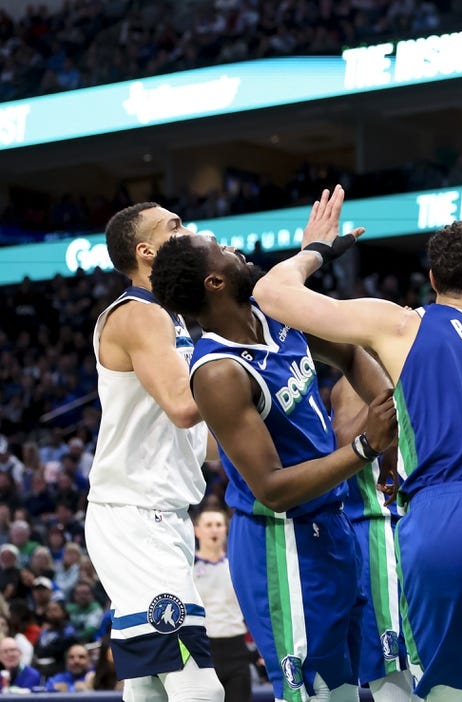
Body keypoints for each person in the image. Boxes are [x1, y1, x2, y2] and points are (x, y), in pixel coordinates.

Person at [251, 188, 462, 702]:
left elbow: (270, 294)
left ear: (431, 279)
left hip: (444, 514)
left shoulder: (403, 324)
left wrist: (315, 248)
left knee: (450, 688)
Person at [149, 228, 397, 702]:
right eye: (222, 251)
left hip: (333, 527)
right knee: (313, 696)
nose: (236, 250)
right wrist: (366, 446)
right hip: (283, 545)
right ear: (214, 283)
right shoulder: (219, 371)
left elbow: (349, 352)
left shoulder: (275, 313)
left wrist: (388, 423)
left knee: (344, 691)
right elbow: (272, 487)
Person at [84, 202, 223, 702]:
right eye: (174, 227)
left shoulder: (173, 318)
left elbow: (198, 437)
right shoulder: (138, 315)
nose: (186, 231)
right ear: (147, 251)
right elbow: (187, 406)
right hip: (137, 517)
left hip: (161, 515)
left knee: (148, 684)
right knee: (199, 687)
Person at [328, 376, 419, 702]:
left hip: (421, 526)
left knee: (428, 663)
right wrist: (384, 406)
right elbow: (340, 444)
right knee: (391, 667)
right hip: (379, 527)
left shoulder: (421, 365)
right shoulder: (354, 382)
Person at [192, 509, 252, 702]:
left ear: (226, 529)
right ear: (197, 530)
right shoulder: (187, 568)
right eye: (208, 525)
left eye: (218, 525)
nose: (214, 530)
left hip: (236, 648)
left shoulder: (238, 565)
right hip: (203, 650)